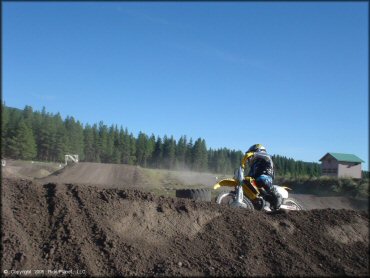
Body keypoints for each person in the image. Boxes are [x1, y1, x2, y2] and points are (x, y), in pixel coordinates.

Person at [241, 144, 282, 210]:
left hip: (267, 177)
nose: (250, 158)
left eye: (251, 154)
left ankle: (277, 195)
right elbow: (249, 177)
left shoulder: (266, 158)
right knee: (247, 182)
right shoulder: (253, 166)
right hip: (258, 182)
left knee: (261, 179)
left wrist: (254, 154)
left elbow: (266, 156)